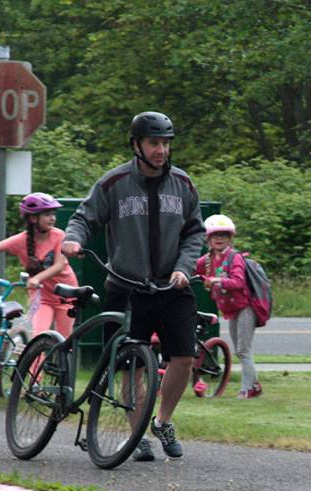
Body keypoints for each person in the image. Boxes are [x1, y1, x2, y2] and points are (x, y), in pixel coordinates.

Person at [63, 111, 205, 463]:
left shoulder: (183, 184)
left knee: (185, 357)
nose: (161, 150)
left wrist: (184, 268)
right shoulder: (114, 183)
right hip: (126, 286)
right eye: (155, 143)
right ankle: (137, 432)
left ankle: (163, 421)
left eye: (166, 144)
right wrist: (72, 239)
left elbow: (195, 232)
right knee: (131, 364)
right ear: (137, 145)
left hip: (172, 286)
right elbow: (84, 217)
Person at [0, 192, 78, 336]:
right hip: (41, 297)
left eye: (53, 213)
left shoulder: (59, 235)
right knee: (40, 336)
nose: (52, 218)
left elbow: (59, 265)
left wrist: (36, 278)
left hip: (66, 294)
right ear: (33, 218)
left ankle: (62, 358)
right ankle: (37, 358)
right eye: (47, 214)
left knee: (65, 339)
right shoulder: (20, 240)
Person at [195, 214, 261, 398]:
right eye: (215, 235)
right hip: (231, 310)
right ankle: (255, 386)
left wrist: (215, 280)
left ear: (230, 238)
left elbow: (238, 283)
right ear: (208, 238)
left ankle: (246, 389)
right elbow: (192, 268)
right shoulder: (208, 260)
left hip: (245, 307)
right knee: (239, 349)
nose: (219, 239)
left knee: (242, 350)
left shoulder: (234, 258)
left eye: (224, 235)